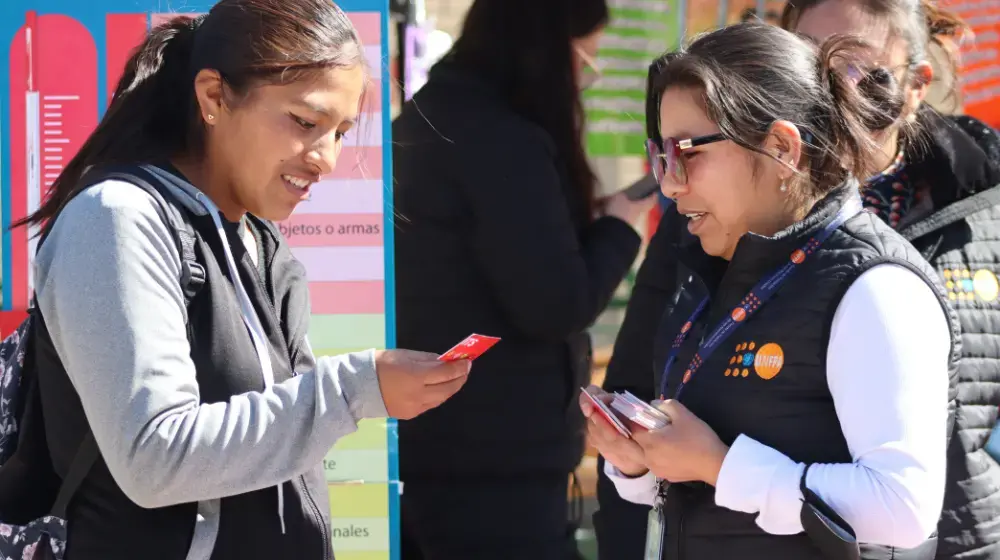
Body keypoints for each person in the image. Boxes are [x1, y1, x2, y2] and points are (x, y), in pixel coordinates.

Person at [20, 1, 472, 558]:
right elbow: (154, 456)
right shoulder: (116, 217)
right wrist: (357, 388)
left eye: (340, 131)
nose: (326, 158)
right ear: (213, 97)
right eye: (305, 123)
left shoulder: (260, 242)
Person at [596, 1, 1000, 557]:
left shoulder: (874, 285)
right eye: (661, 155)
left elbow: (904, 509)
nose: (670, 183)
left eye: (687, 152)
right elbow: (708, 476)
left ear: (782, 148)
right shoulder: (717, 260)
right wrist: (639, 463)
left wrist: (718, 464)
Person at [390, 0, 654, 557]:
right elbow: (556, 301)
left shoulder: (438, 115)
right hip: (495, 460)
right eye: (586, 58)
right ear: (545, 50)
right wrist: (619, 227)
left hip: (440, 444)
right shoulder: (500, 139)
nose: (589, 77)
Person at [789, 1, 1000, 557]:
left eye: (855, 65)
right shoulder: (731, 205)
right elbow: (651, 373)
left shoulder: (985, 205)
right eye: (808, 61)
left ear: (915, 85)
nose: (828, 88)